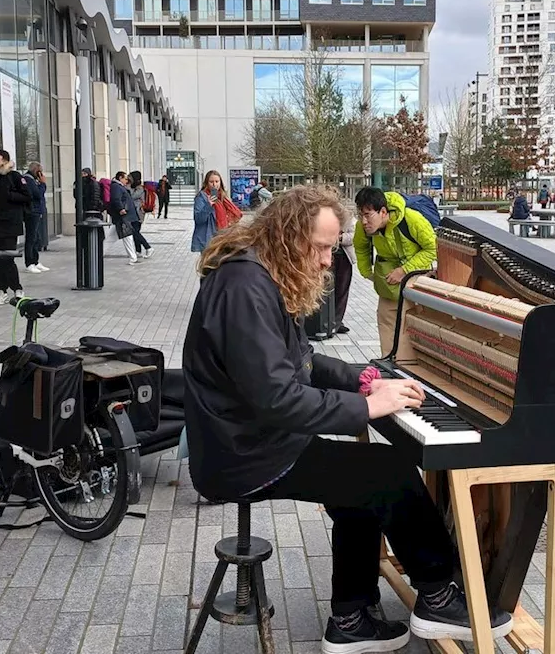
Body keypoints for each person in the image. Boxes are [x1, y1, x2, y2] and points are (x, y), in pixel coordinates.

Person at [183, 185, 513, 651]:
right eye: (319, 247)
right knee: (388, 471)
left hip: (251, 440)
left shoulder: (261, 273)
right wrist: (367, 407)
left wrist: (364, 379)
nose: (325, 262)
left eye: (331, 248)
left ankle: (351, 618)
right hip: (243, 454)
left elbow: (302, 360)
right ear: (285, 235)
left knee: (362, 487)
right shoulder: (245, 287)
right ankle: (438, 594)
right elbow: (277, 399)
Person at [352, 188, 437, 361]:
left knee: (411, 321)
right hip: (389, 279)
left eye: (368, 215)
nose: (364, 221)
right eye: (361, 215)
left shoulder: (411, 219)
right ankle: (390, 362)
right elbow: (360, 246)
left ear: (383, 212)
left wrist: (404, 270)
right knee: (386, 319)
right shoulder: (365, 226)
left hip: (414, 276)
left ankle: (413, 363)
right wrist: (367, 272)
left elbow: (433, 248)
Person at [0, 149, 31, 303]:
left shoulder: (14, 177)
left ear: (5, 162)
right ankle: (1, 289)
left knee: (7, 258)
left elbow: (27, 196)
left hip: (9, 224)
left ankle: (17, 288)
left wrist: (9, 195)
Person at [24, 162, 49, 272]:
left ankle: (35, 260)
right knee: (31, 237)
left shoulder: (33, 180)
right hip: (32, 212)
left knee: (36, 237)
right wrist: (43, 184)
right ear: (36, 171)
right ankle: (29, 262)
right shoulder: (28, 180)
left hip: (37, 211)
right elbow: (37, 195)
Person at [192, 170, 222, 254]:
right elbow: (198, 219)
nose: (214, 184)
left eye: (217, 181)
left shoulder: (223, 197)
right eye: (211, 182)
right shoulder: (201, 197)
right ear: (207, 183)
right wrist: (208, 205)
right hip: (208, 239)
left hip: (221, 238)